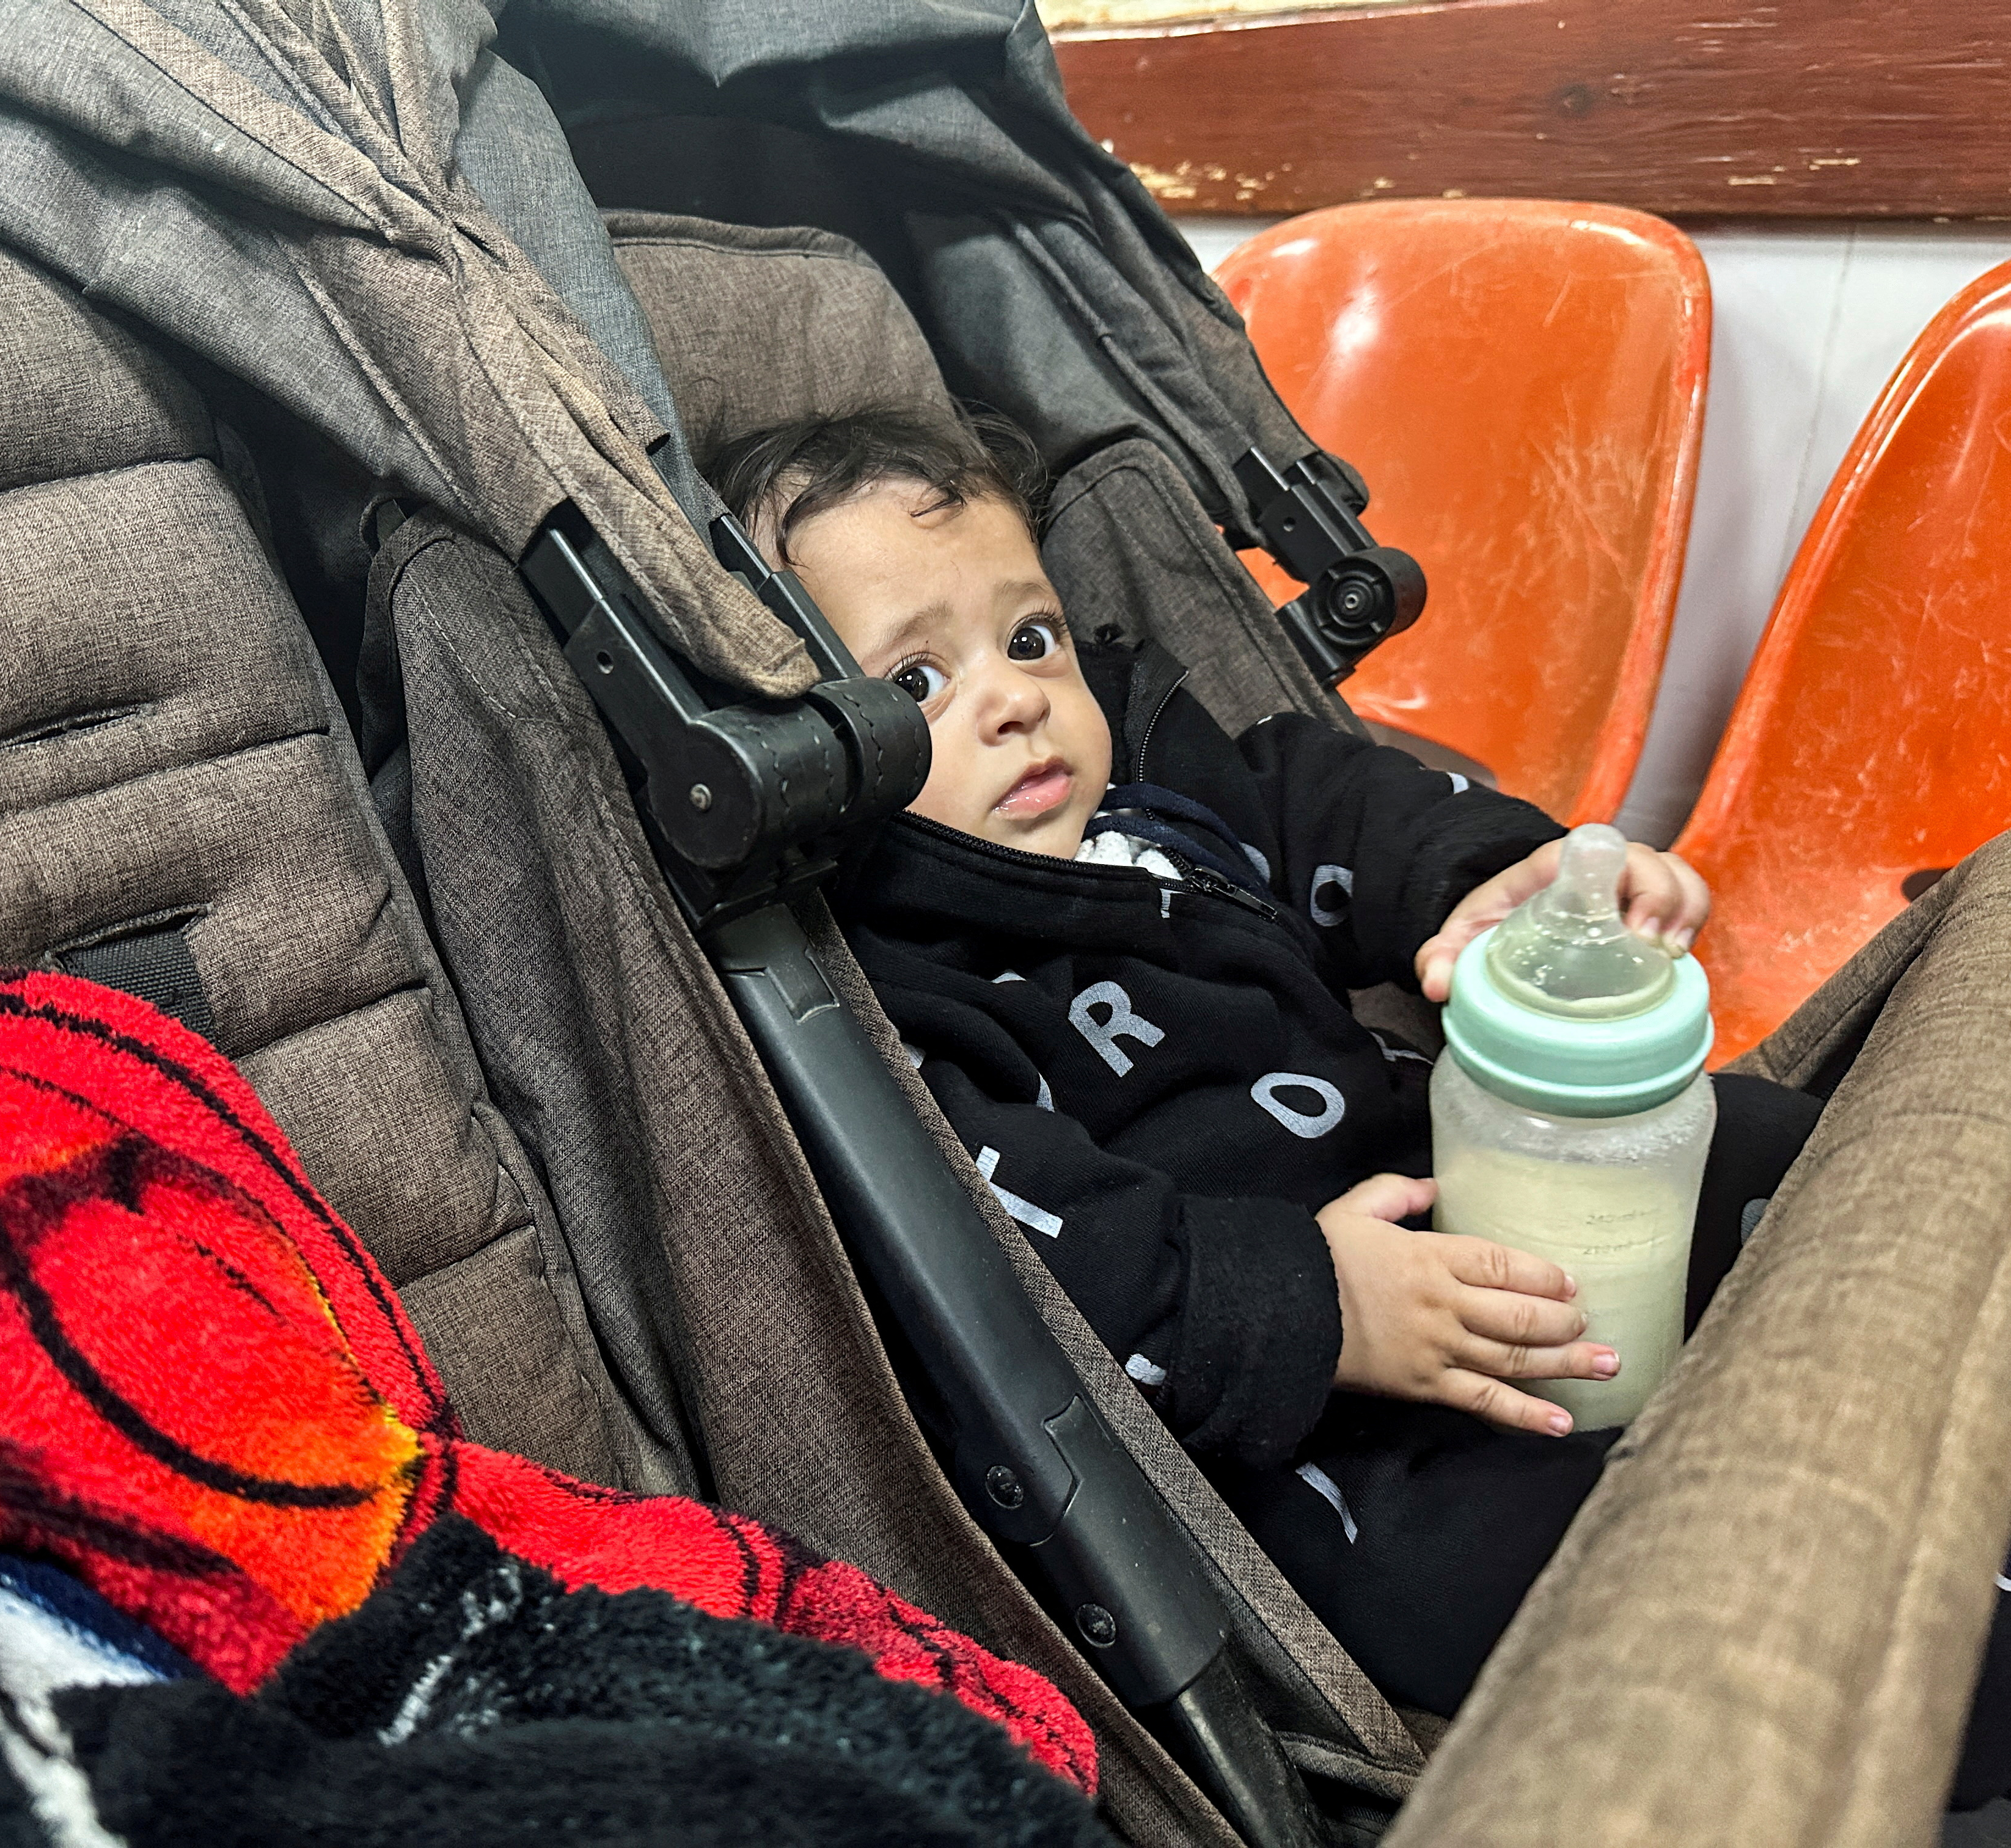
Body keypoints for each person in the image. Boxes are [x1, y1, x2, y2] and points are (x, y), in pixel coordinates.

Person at [703, 402, 1825, 1720]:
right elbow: (1035, 1265)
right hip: (1300, 1416)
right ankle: (1854, 1644)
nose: (1016, 699)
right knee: (1468, 1581)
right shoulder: (902, 995)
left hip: (1448, 1181)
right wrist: (1319, 1308)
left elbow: (1337, 799)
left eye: (1029, 637)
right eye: (913, 686)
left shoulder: (1169, 794)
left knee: (1774, 1145)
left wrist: (1489, 884)